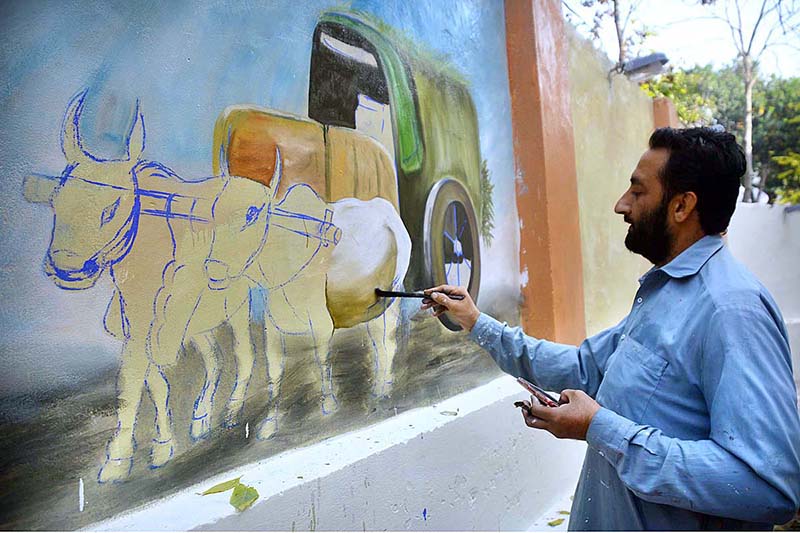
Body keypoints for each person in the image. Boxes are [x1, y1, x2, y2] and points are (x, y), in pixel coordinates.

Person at [422, 127, 800, 530]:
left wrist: (601, 428)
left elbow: (766, 487)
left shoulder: (732, 309)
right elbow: (587, 367)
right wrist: (478, 323)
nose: (622, 205)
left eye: (638, 192)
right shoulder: (664, 291)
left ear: (681, 206)